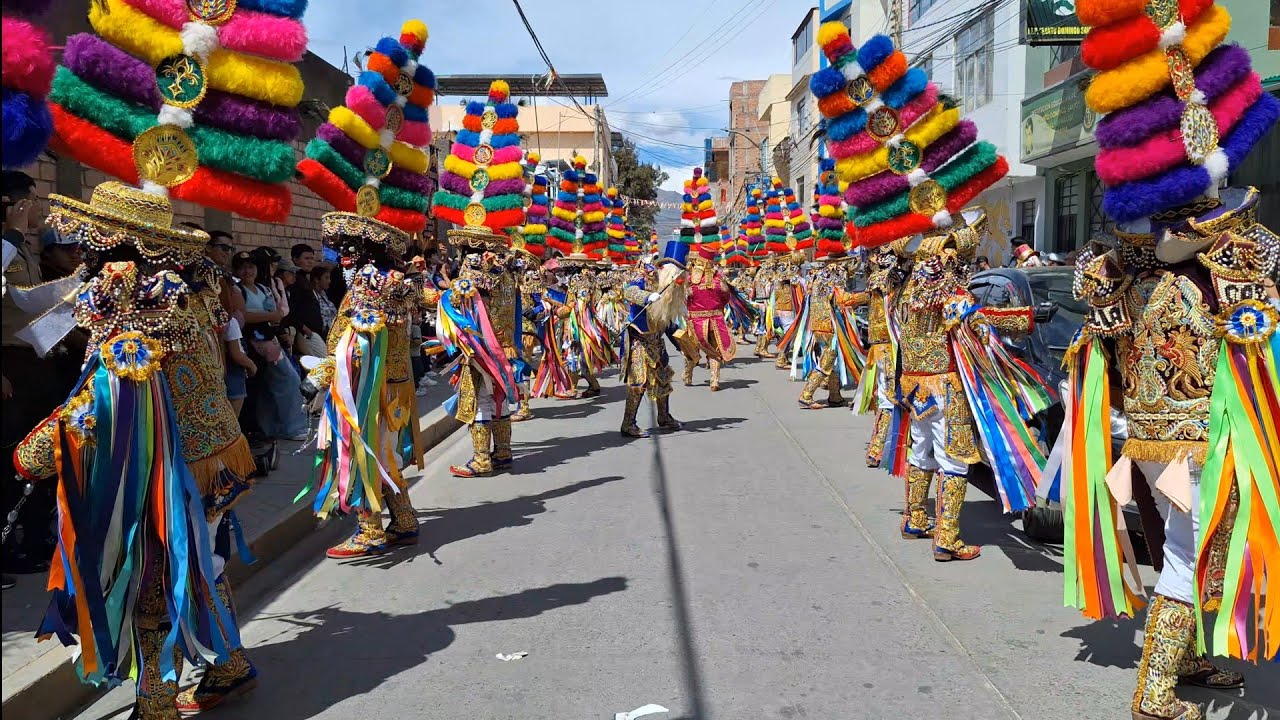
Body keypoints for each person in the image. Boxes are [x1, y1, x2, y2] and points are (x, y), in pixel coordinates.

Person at [1058, 3, 1277, 714]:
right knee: (1192, 550)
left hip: (1155, 438)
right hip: (1198, 442)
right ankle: (1154, 692)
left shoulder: (1127, 271)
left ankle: (1186, 659)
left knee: (1189, 544)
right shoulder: (1216, 264)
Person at [15, 182, 256, 718]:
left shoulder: (139, 303)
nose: (82, 254)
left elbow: (112, 396)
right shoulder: (174, 292)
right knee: (200, 564)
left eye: (91, 243)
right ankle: (229, 665)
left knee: (154, 577)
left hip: (170, 470)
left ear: (115, 247)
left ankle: (157, 700)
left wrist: (41, 448)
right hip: (210, 456)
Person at [232, 252, 308, 442]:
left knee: (286, 379)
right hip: (249, 341)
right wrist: (269, 316)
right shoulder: (236, 290)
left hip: (268, 338)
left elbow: (276, 313)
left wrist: (270, 317)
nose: (247, 271)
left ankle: (286, 426)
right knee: (264, 385)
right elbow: (243, 316)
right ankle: (278, 428)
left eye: (251, 267)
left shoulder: (263, 288)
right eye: (242, 267)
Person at [619, 242, 689, 437]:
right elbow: (629, 291)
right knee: (638, 381)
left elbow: (668, 323)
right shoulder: (646, 276)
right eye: (677, 272)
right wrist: (646, 297)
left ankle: (664, 416)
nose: (679, 278)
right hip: (639, 339)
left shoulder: (672, 291)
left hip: (657, 340)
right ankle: (628, 423)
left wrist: (682, 345)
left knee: (663, 378)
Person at [683, 245, 734, 391]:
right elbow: (726, 297)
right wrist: (717, 307)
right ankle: (714, 381)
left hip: (695, 321)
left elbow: (685, 300)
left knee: (692, 350)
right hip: (715, 320)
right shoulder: (719, 280)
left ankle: (688, 375)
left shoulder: (690, 281)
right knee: (714, 350)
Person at [286, 242, 326, 358]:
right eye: (306, 258)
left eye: (312, 259)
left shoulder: (305, 280)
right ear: (295, 259)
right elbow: (291, 310)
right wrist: (304, 329)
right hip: (305, 335)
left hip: (313, 333)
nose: (310, 262)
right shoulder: (294, 282)